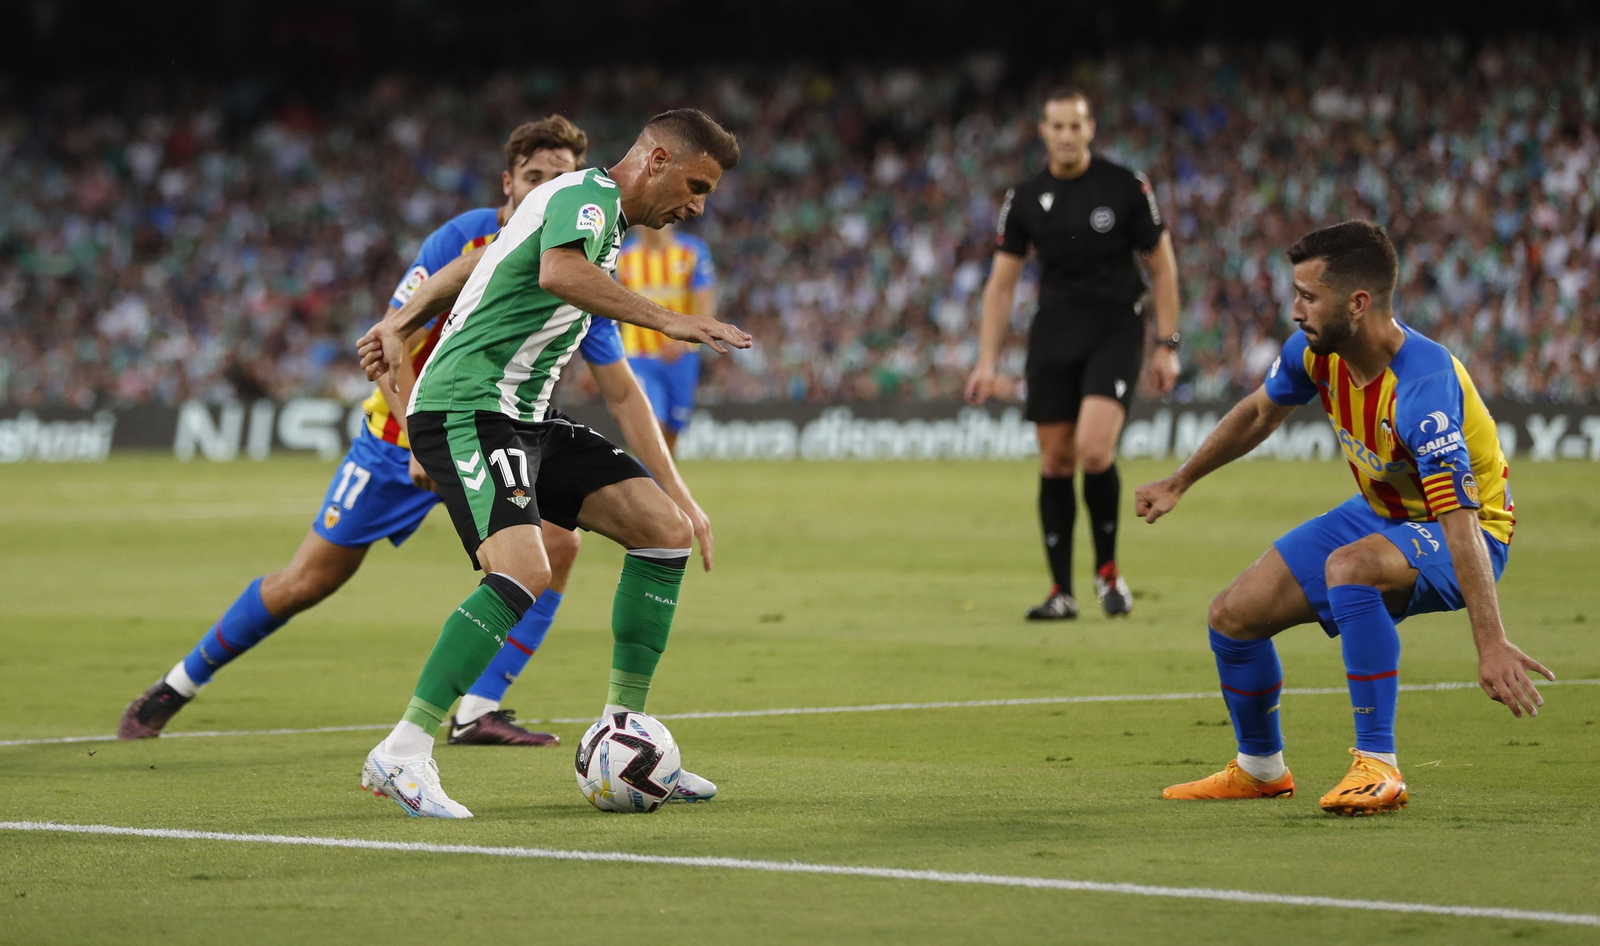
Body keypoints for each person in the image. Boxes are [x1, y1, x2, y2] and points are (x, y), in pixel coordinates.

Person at [119, 117, 617, 748]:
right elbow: (392, 339)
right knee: (307, 581)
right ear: (508, 183)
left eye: (563, 177)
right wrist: (417, 439)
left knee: (558, 547)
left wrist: (674, 484)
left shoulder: (577, 256)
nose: (549, 186)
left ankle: (477, 709)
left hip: (498, 430)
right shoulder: (462, 239)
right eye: (535, 176)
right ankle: (178, 684)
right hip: (397, 440)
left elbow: (618, 381)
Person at [356, 108, 749, 818]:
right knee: (524, 570)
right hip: (466, 408)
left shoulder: (594, 219)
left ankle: (625, 734)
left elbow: (487, 257)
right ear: (656, 159)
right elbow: (555, 269)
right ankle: (403, 751)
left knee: (663, 530)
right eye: (696, 186)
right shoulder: (585, 201)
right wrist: (667, 318)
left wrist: (400, 318)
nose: (696, 206)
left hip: (528, 418)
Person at [1135, 221, 1552, 815]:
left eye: (1308, 296)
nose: (1295, 309)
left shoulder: (1423, 388)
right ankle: (1260, 769)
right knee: (1231, 617)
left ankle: (1378, 766)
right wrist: (1180, 481)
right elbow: (1258, 414)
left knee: (1350, 567)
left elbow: (1459, 520)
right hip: (1383, 509)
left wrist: (1491, 643)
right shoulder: (1313, 352)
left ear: (1357, 304)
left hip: (1469, 531)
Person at [965, 87, 1181, 622]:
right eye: (1056, 126)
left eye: (1075, 125)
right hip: (1054, 334)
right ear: (1043, 130)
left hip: (1116, 329)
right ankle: (1061, 591)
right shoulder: (1024, 197)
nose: (1066, 135)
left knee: (1091, 449)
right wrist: (986, 362)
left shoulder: (1126, 187)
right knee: (1055, 459)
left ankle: (1108, 572)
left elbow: (1162, 267)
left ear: (1091, 129)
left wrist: (1167, 346)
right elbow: (1000, 286)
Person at [616, 225, 717, 454]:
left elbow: (706, 303)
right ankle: (646, 487)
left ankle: (661, 486)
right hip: (639, 355)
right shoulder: (623, 256)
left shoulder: (692, 251)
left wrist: (683, 341)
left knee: (672, 430)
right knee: (652, 422)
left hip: (683, 356)